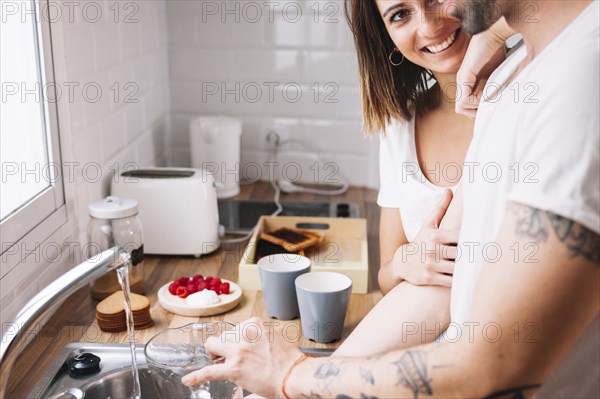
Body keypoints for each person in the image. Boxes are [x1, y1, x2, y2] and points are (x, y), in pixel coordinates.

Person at [183, 0, 600, 397]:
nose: (437, 20)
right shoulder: (506, 87)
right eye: (400, 14)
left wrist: (292, 375)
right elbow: (434, 291)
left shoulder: (571, 87)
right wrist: (291, 384)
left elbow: (488, 371)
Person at [332, 0, 486, 357]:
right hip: (415, 360)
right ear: (386, 38)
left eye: (435, 0)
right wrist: (409, 260)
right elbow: (387, 277)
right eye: (400, 14)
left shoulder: (524, 94)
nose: (430, 27)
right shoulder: (400, 125)